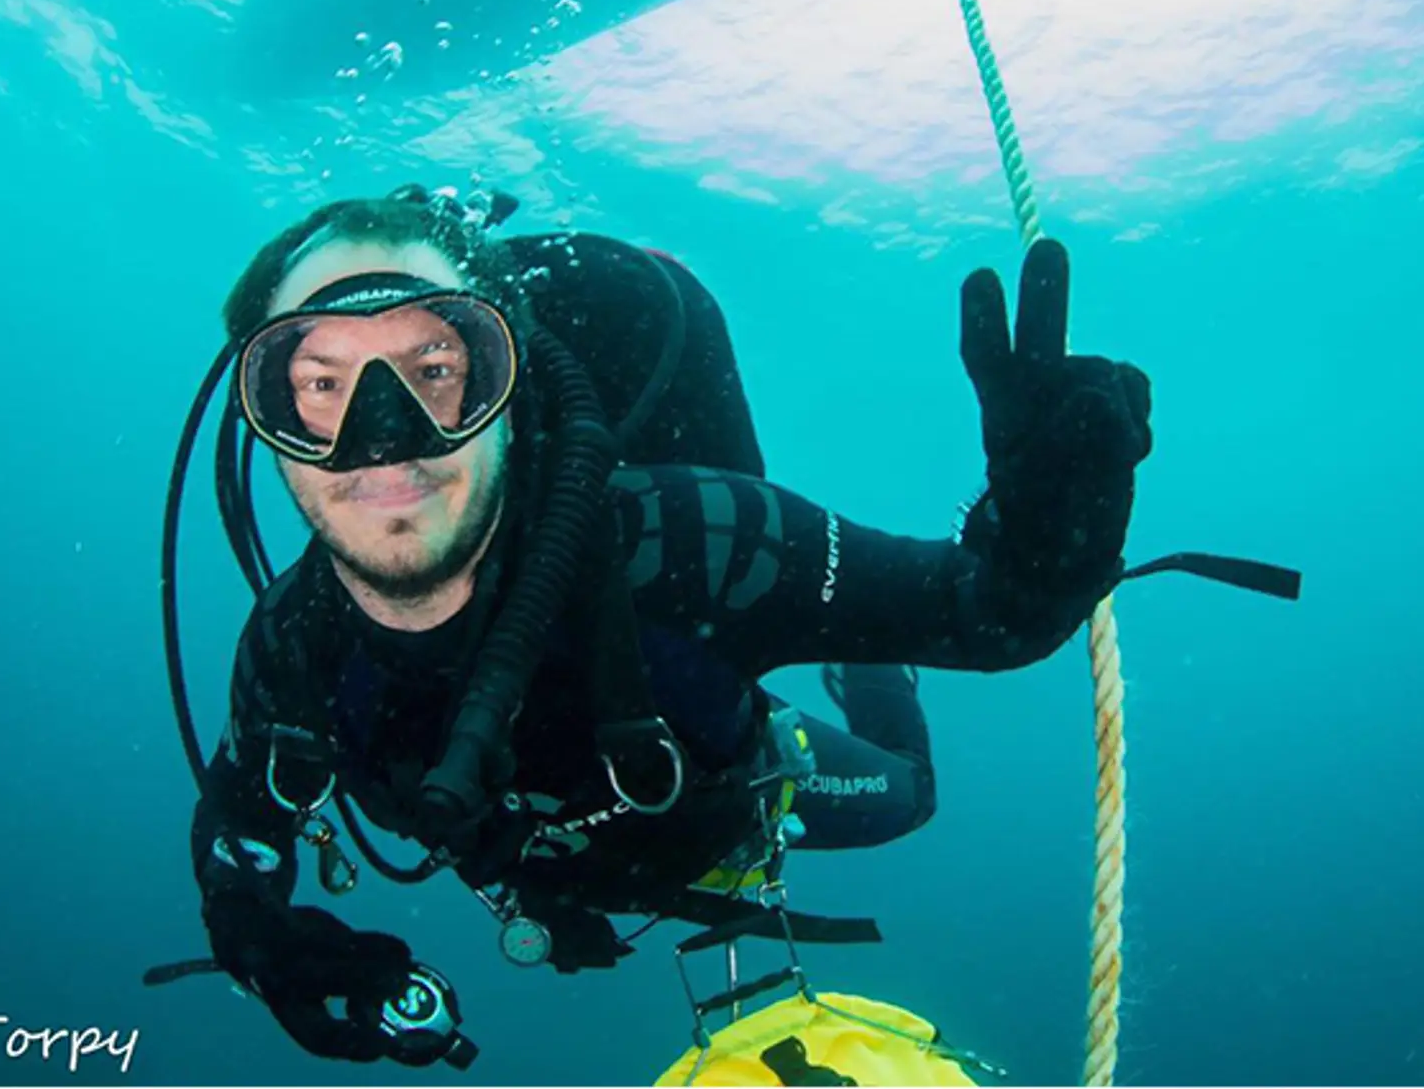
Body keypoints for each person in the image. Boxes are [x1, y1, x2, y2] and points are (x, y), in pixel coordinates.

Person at [153, 185, 1298, 1068]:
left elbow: (989, 612)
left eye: (437, 366)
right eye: (315, 382)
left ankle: (852, 647)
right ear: (260, 421)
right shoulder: (292, 651)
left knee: (907, 788)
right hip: (549, 874)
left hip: (737, 801)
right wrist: (281, 959)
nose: (384, 437)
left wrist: (1053, 532)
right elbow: (238, 839)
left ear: (512, 379)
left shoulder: (695, 540)